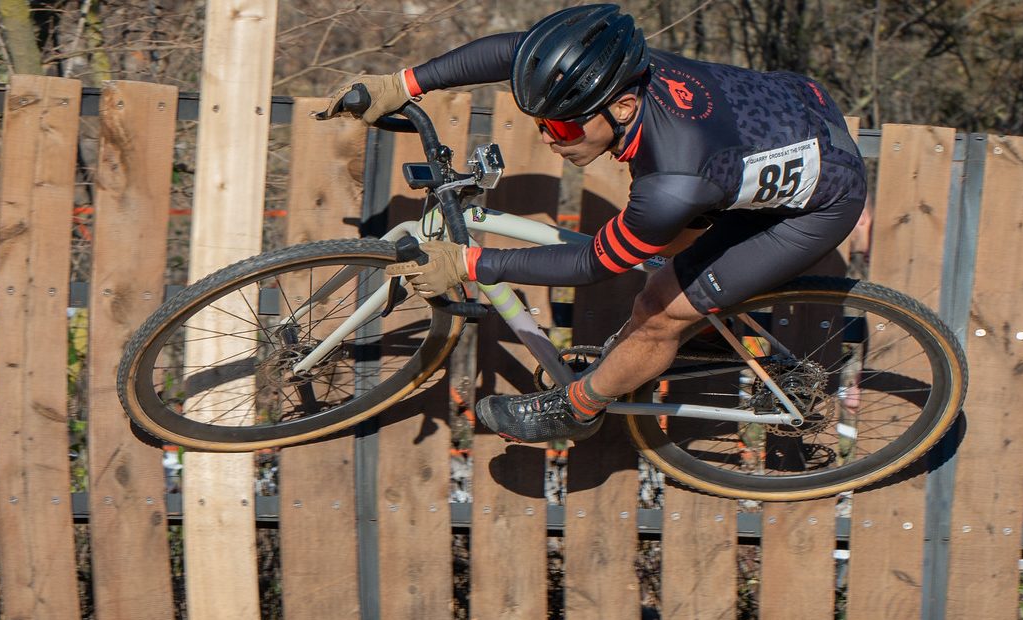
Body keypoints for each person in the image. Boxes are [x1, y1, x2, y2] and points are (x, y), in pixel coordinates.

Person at [323, 4, 867, 443]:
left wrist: (469, 263)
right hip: (787, 112)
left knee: (657, 311)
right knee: (671, 256)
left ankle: (578, 409)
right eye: (540, 121)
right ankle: (700, 328)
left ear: (623, 107)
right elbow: (516, 51)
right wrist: (404, 82)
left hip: (818, 200)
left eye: (562, 127)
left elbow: (593, 264)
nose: (547, 138)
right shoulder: (609, 69)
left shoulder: (672, 182)